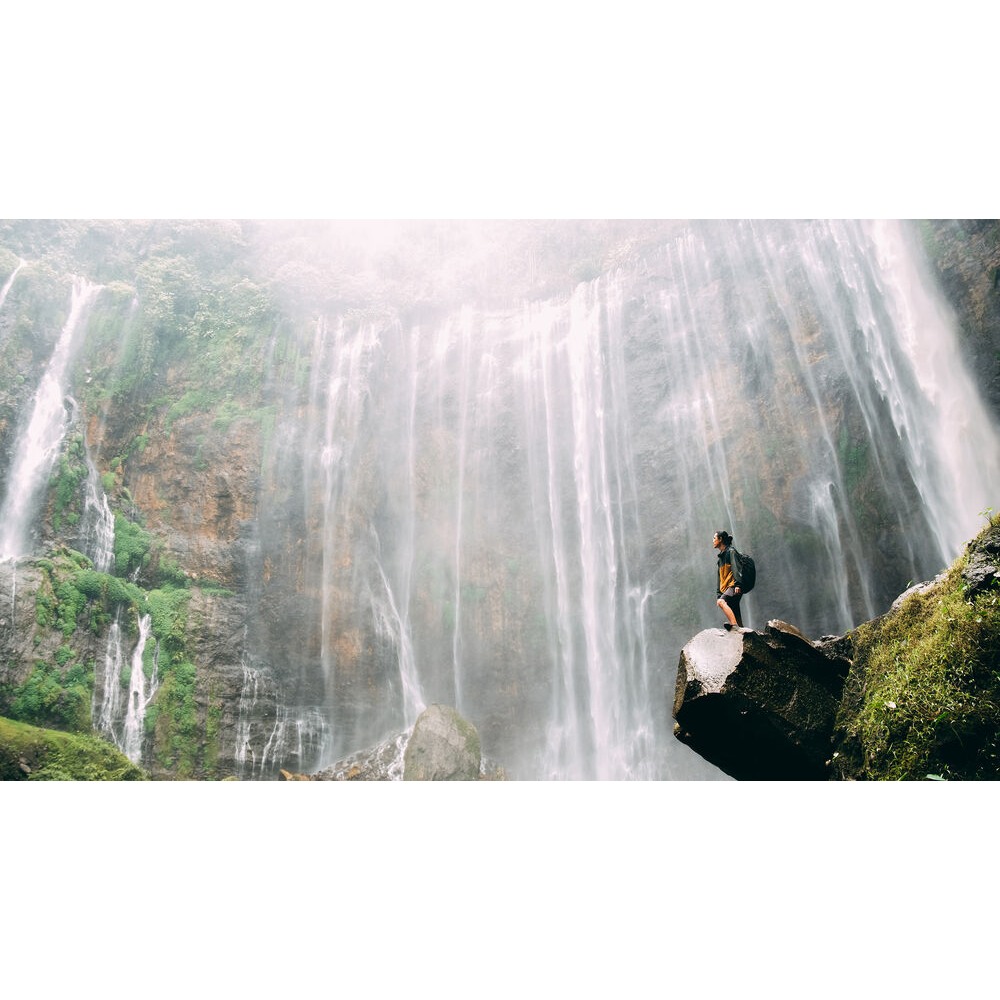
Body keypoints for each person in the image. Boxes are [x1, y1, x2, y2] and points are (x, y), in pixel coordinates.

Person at [713, 530, 743, 630]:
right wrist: (719, 594)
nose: (713, 540)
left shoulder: (731, 552)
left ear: (720, 539)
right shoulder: (720, 560)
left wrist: (738, 584)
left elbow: (736, 567)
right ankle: (742, 631)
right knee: (735, 611)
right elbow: (720, 579)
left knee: (721, 602)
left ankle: (733, 624)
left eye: (714, 538)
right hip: (727, 588)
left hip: (733, 586)